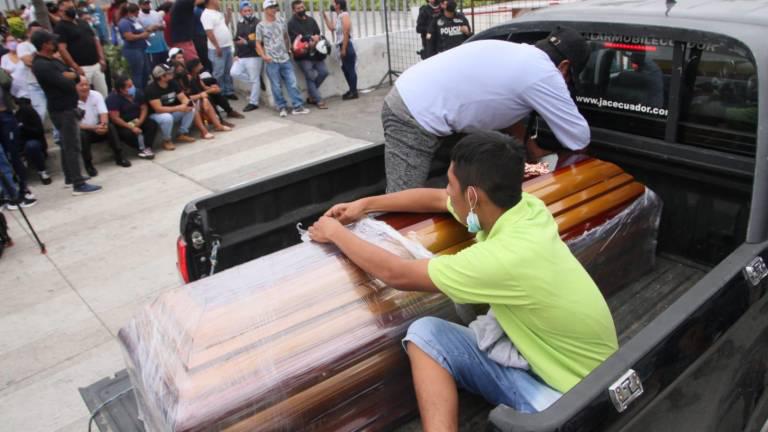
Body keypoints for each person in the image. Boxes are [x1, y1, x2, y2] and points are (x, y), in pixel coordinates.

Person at [308, 132, 618, 428]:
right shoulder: (524, 209)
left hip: (567, 403)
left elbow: (396, 273)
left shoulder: (503, 258)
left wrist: (335, 233)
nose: (447, 190)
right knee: (428, 331)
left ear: (472, 196)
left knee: (426, 336)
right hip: (586, 373)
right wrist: (366, 205)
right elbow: (437, 200)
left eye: (451, 183)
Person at [381, 27, 592, 193]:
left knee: (475, 175)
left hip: (421, 97)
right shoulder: (544, 73)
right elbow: (579, 139)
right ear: (564, 67)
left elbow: (506, 111)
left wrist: (534, 152)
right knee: (401, 201)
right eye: (569, 80)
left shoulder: (521, 55)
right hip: (412, 113)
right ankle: (371, 237)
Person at [31, 30, 101, 195]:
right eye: (51, 42)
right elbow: (65, 82)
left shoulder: (51, 60)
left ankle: (70, 177)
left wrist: (71, 75)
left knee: (67, 144)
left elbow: (70, 73)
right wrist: (72, 77)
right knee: (72, 146)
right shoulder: (41, 65)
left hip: (68, 106)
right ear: (44, 45)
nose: (54, 44)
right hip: (62, 110)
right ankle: (78, 183)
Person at [255, 0, 309, 117]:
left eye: (275, 7)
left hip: (284, 58)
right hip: (271, 60)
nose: (274, 9)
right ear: (265, 10)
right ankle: (281, 107)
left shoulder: (281, 21)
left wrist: (288, 49)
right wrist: (264, 56)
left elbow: (285, 37)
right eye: (271, 7)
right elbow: (258, 43)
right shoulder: (260, 26)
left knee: (292, 82)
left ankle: (297, 106)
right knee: (276, 85)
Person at [77, 75, 131, 176]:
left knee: (110, 126)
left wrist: (104, 125)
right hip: (84, 130)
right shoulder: (70, 101)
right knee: (82, 134)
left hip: (98, 127)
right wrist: (95, 127)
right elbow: (76, 125)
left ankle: (120, 157)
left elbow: (104, 113)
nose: (85, 87)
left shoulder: (96, 95)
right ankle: (88, 164)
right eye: (81, 85)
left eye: (86, 84)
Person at [54, 0, 109, 96]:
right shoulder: (60, 27)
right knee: (84, 96)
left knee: (103, 94)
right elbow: (62, 49)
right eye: (69, 8)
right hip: (82, 68)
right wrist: (75, 67)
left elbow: (95, 40)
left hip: (96, 65)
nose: (72, 9)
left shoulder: (82, 22)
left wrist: (102, 58)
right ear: (61, 9)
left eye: (73, 7)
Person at [0, 67, 36, 206]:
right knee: (2, 159)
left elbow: (9, 83)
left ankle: (21, 191)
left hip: (5, 115)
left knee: (13, 155)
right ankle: (11, 195)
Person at [171, 59, 230, 139]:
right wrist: (201, 96)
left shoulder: (188, 78)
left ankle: (218, 125)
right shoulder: (173, 83)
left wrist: (204, 99)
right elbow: (184, 98)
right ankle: (203, 131)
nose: (181, 72)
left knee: (208, 100)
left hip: (194, 100)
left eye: (182, 69)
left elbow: (201, 92)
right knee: (193, 105)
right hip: (180, 105)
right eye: (178, 71)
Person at [144, 63, 196, 150]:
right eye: (168, 73)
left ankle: (182, 133)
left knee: (190, 108)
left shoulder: (172, 83)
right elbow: (158, 109)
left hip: (171, 111)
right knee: (167, 118)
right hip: (156, 115)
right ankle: (166, 140)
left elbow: (183, 97)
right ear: (161, 77)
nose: (171, 73)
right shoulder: (151, 89)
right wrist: (179, 108)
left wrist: (188, 103)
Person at [288, 0, 328, 109]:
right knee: (310, 76)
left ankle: (311, 95)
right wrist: (309, 39)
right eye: (298, 8)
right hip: (303, 56)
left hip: (316, 53)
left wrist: (316, 39)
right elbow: (296, 39)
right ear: (294, 10)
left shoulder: (311, 20)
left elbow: (318, 33)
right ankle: (318, 100)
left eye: (302, 7)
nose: (301, 10)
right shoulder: (291, 23)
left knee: (324, 72)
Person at [106, 75, 157, 159]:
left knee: (152, 124)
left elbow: (144, 107)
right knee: (127, 134)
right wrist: (131, 127)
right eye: (129, 86)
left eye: (132, 85)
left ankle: (148, 147)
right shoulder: (112, 99)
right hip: (123, 124)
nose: (132, 87)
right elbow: (115, 118)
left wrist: (140, 121)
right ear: (121, 90)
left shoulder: (137, 92)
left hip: (137, 119)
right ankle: (141, 148)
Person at [186, 58, 241, 123]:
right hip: (196, 98)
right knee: (209, 98)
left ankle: (229, 111)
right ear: (194, 67)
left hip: (202, 94)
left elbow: (204, 87)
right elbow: (190, 96)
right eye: (199, 64)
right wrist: (209, 91)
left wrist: (212, 88)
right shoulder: (188, 77)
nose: (201, 65)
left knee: (216, 94)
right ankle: (219, 120)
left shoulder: (197, 75)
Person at [201, 0, 236, 99]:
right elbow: (209, 32)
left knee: (228, 70)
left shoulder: (217, 12)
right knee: (218, 72)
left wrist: (228, 14)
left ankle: (229, 91)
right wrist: (217, 46)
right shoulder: (206, 14)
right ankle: (219, 93)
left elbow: (225, 24)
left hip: (226, 46)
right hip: (217, 48)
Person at [322, 0, 357, 100]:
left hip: (346, 44)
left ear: (338, 5)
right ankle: (352, 90)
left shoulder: (344, 15)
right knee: (345, 69)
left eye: (333, 3)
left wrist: (344, 48)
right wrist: (325, 17)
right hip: (342, 45)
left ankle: (353, 92)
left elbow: (346, 32)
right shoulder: (339, 16)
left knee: (350, 69)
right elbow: (332, 28)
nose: (332, 5)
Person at [231, 0, 261, 112]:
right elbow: (237, 38)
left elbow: (259, 41)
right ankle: (256, 86)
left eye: (249, 10)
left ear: (252, 10)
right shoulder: (240, 23)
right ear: (241, 12)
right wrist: (235, 54)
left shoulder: (258, 23)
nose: (247, 12)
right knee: (234, 72)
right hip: (241, 56)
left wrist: (246, 42)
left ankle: (254, 102)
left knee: (254, 79)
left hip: (254, 55)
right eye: (245, 11)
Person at [15, 98, 52, 184]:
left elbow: (38, 132)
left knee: (32, 145)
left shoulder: (29, 113)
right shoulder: (11, 116)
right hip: (18, 145)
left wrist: (23, 127)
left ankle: (42, 172)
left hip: (34, 142)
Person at [118, 3, 153, 89]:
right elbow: (128, 36)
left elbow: (139, 31)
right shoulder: (124, 22)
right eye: (136, 12)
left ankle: (145, 90)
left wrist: (147, 31)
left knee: (146, 71)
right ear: (130, 12)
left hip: (141, 49)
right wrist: (142, 35)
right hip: (133, 51)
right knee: (138, 73)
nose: (138, 14)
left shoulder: (133, 21)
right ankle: (139, 92)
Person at [138, 0, 170, 68]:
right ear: (140, 5)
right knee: (155, 68)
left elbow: (164, 25)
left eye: (148, 3)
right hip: (150, 49)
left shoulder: (155, 13)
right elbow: (140, 32)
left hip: (163, 46)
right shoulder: (139, 17)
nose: (147, 5)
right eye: (145, 4)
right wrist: (149, 29)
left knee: (167, 66)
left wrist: (158, 26)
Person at [1, 34, 31, 100]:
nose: (11, 43)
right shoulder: (4, 58)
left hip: (29, 91)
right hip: (14, 94)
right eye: (9, 41)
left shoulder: (24, 55)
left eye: (13, 40)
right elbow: (3, 74)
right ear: (5, 44)